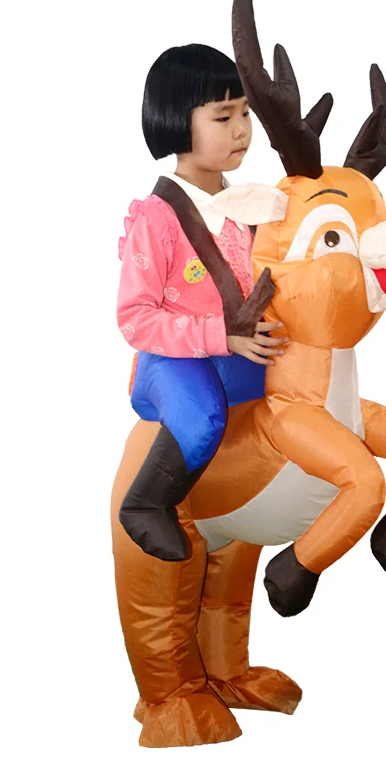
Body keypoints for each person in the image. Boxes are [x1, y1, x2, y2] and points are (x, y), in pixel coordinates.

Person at [116, 44, 288, 562]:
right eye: (223, 116)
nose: (242, 130)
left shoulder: (251, 207)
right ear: (176, 120)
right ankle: (145, 503)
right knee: (203, 418)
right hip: (172, 359)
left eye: (245, 114)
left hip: (233, 351)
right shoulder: (157, 218)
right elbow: (134, 317)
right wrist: (221, 336)